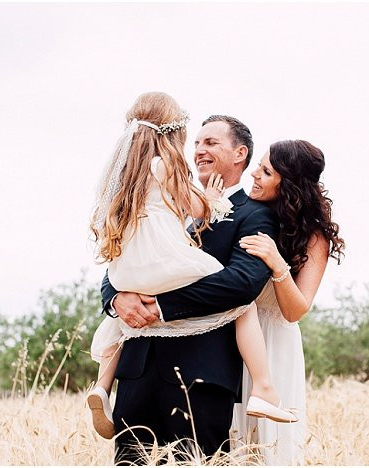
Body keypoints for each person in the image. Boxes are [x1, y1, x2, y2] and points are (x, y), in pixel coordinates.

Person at [87, 93, 296, 442]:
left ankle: (264, 387)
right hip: (137, 372)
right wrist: (115, 298)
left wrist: (161, 305)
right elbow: (121, 259)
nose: (198, 149)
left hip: (199, 374)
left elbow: (241, 283)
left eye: (211, 142)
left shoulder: (254, 214)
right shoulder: (167, 198)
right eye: (196, 142)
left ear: (239, 154)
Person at [232, 139, 346, 464]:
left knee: (269, 447)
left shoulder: (314, 236)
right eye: (260, 166)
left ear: (289, 185)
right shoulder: (247, 215)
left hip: (275, 345)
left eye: (266, 172)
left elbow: (296, 310)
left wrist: (277, 262)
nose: (254, 174)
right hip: (234, 334)